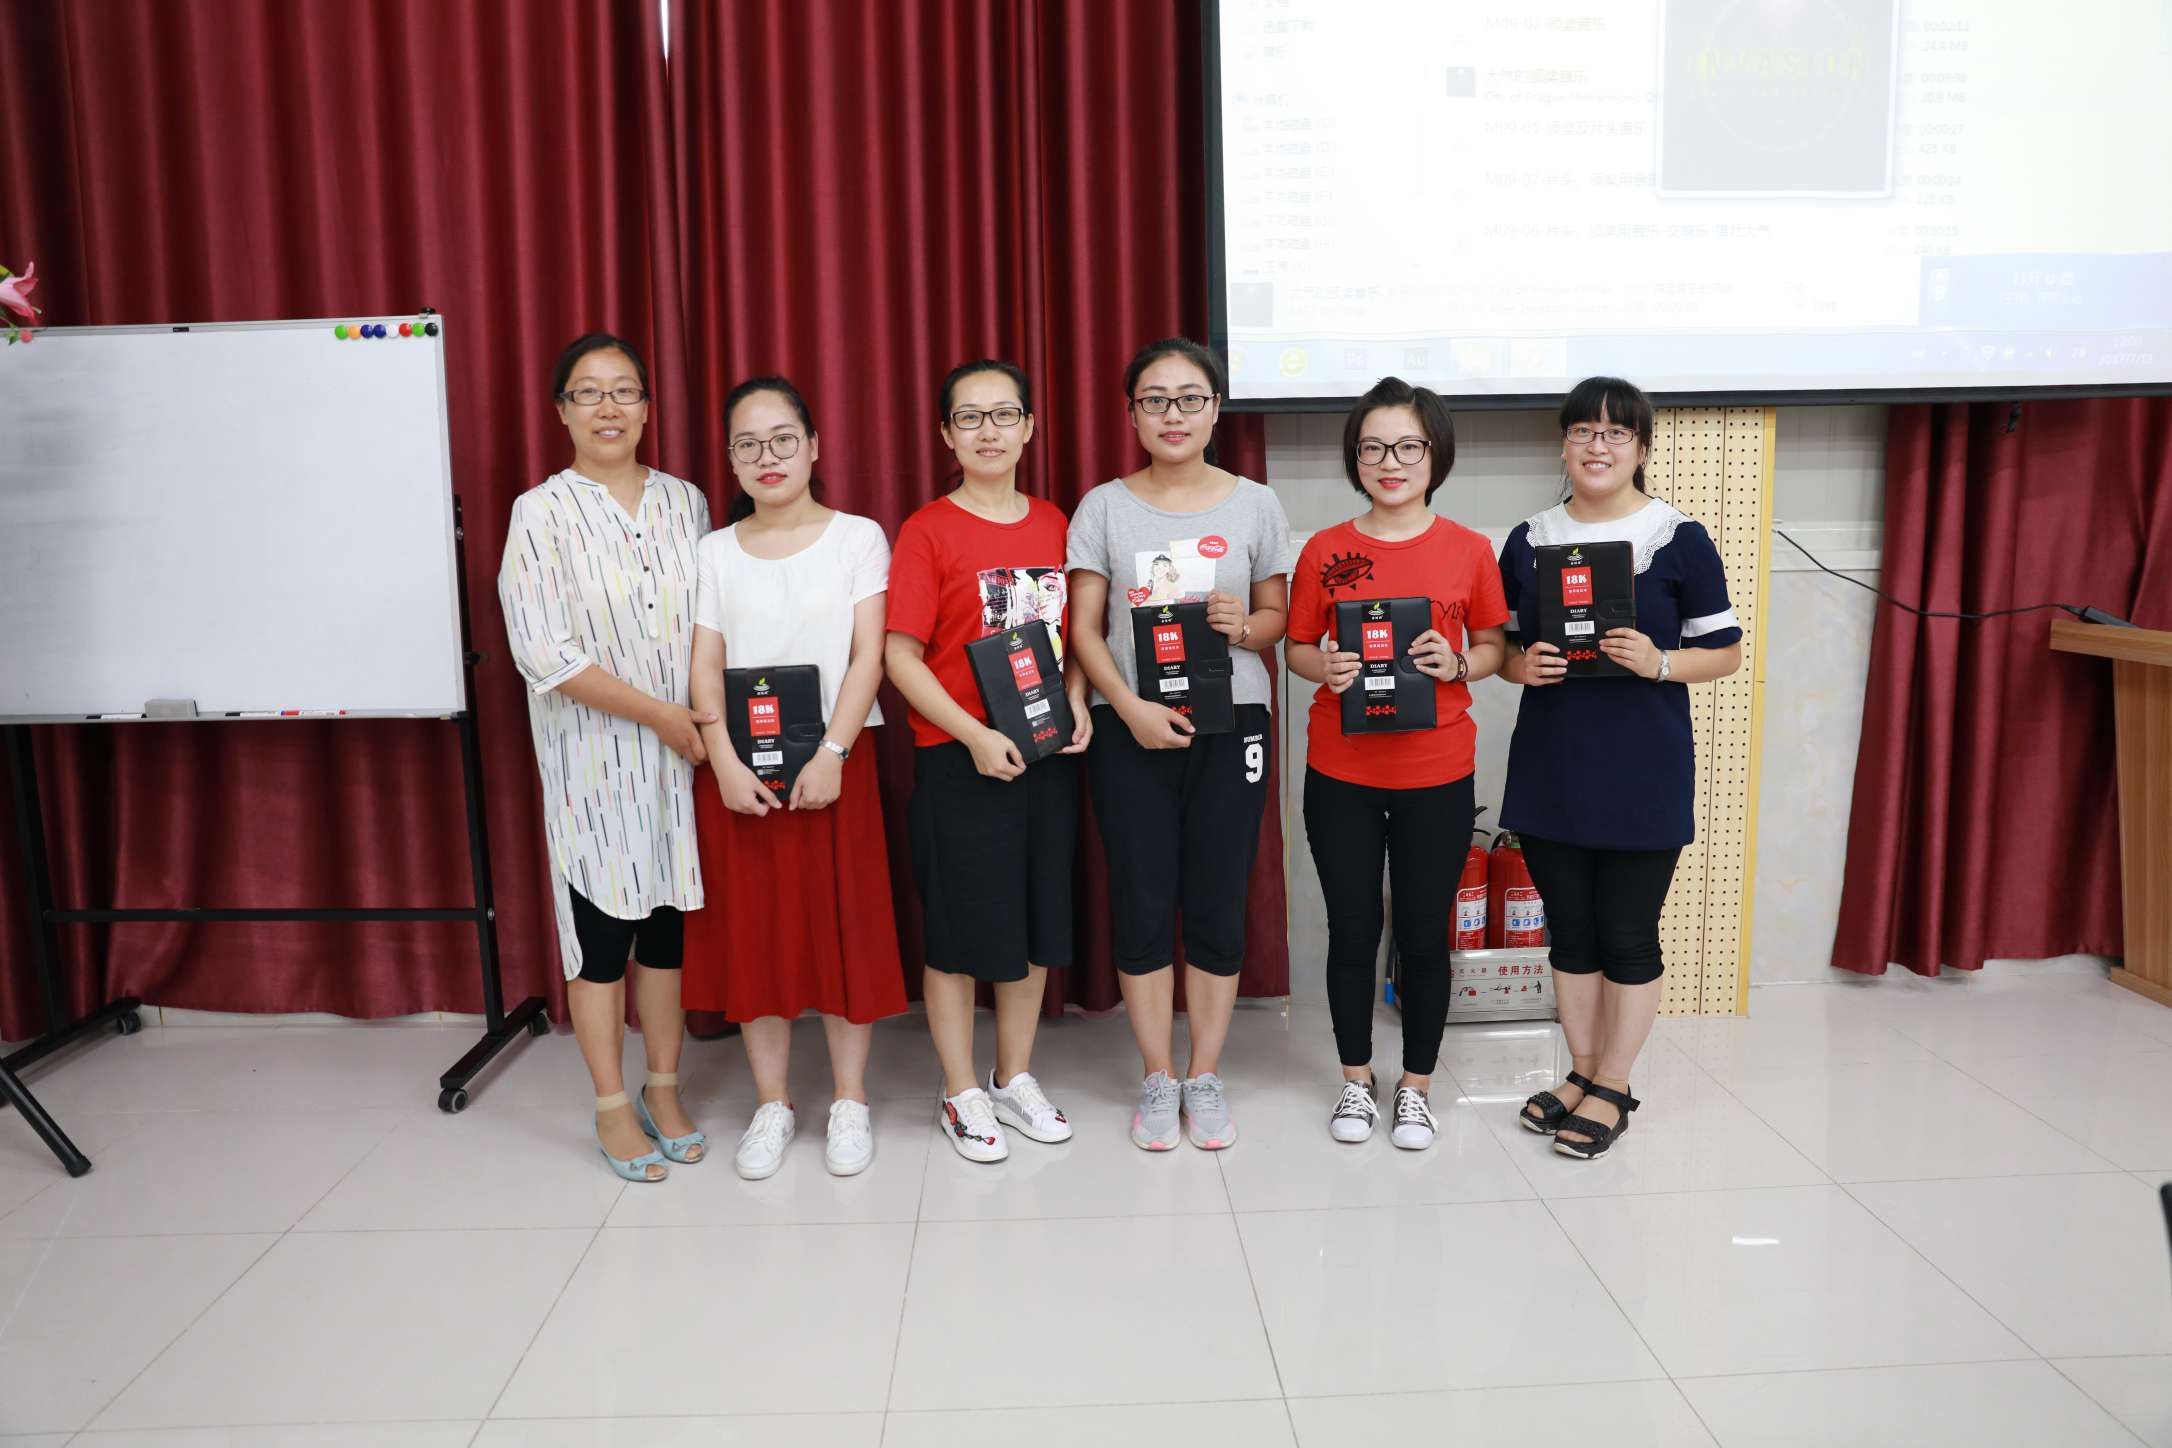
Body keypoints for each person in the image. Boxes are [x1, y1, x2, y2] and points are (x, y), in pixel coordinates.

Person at [1498, 376, 1743, 1160]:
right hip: (1552, 765)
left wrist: (1660, 661)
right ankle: (1580, 1070)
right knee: (1570, 932)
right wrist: (1522, 667)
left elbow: (1726, 652)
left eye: (1615, 433)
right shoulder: (1529, 539)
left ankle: (1614, 1084)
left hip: (1643, 769)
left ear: (1641, 449)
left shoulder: (1678, 538)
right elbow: (1502, 647)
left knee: (1628, 933)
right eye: (1582, 431)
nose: (1596, 446)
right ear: (1563, 445)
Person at [1065, 337, 1291, 1151]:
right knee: (1142, 896)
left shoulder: (1255, 504)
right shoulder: (1103, 507)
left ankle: (1205, 1074)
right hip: (1132, 725)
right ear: (1132, 414)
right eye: (1155, 400)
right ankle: (1158, 1075)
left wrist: (1244, 626)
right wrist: (1126, 707)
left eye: (1190, 398)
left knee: (1219, 895)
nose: (1173, 414)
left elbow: (1276, 618)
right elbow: (1084, 629)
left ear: (1215, 410)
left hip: (1235, 723)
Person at [497, 332, 712, 1183]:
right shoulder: (539, 512)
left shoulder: (686, 502)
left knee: (665, 930)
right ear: (562, 411)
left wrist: (693, 721)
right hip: (591, 760)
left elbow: (711, 622)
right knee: (600, 939)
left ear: (648, 407)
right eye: (588, 393)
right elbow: (542, 653)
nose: (609, 407)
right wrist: (658, 714)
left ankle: (663, 1087)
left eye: (624, 390)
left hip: (682, 759)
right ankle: (611, 1104)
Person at [683, 376, 906, 1181]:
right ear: (731, 460)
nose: (767, 456)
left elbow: (869, 655)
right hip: (742, 774)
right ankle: (772, 1103)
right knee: (756, 936)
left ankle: (849, 1100)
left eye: (782, 439)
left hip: (837, 762)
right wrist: (722, 760)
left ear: (813, 445)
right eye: (748, 444)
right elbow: (704, 662)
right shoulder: (714, 550)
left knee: (846, 928)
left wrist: (833, 753)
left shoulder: (858, 538)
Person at [1286, 376, 1507, 1149]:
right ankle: (1356, 1080)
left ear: (1436, 454)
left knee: (1420, 931)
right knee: (1352, 928)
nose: (1390, 462)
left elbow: (1493, 645)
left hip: (1436, 773)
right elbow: (1297, 647)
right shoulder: (1324, 549)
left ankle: (1415, 1086)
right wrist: (1325, 668)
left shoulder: (1470, 550)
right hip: (1340, 772)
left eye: (1408, 447)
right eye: (1373, 447)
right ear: (1355, 457)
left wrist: (1460, 663)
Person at [884, 359, 1090, 1163]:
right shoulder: (927, 529)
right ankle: (960, 1089)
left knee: (1035, 926)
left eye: (1004, 415)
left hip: (1045, 757)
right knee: (958, 933)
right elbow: (900, 657)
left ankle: (1013, 1076)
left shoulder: (1056, 522)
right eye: (969, 418)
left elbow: (1072, 641)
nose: (989, 431)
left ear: (1029, 427)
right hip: (957, 758)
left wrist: (1077, 702)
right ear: (947, 434)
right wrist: (971, 734)